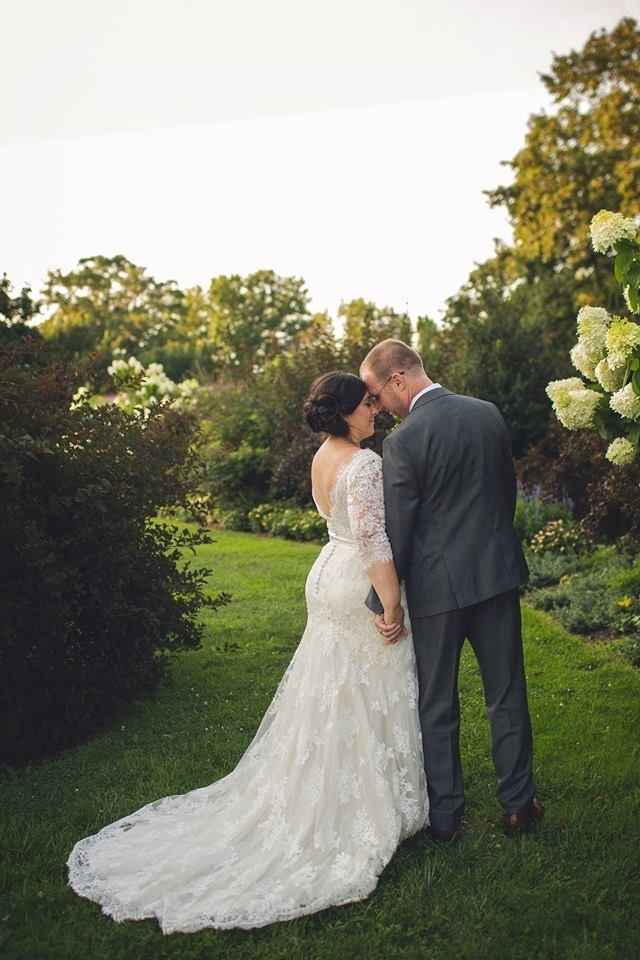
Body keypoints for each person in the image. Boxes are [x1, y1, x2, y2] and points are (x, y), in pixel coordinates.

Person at [66, 371, 428, 935]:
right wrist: (391, 603)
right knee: (367, 682)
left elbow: (337, 526)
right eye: (367, 404)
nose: (376, 410)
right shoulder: (365, 465)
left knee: (330, 687)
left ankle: (328, 787)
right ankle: (365, 804)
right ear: (346, 413)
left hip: (324, 575)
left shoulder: (322, 457)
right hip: (354, 580)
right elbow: (374, 541)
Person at [359, 339, 542, 842]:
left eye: (376, 394)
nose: (377, 406)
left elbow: (399, 526)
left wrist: (383, 600)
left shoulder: (402, 441)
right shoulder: (487, 414)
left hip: (437, 590)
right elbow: (506, 493)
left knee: (437, 703)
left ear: (398, 380)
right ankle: (518, 806)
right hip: (496, 575)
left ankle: (446, 817)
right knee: (506, 693)